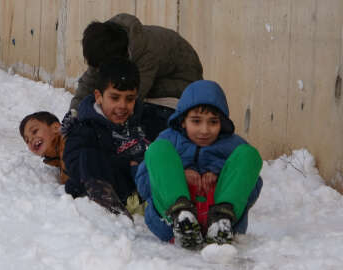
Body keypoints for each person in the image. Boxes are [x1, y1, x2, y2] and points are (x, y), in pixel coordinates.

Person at [135, 80, 264, 250]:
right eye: (196, 121)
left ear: (222, 122)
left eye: (213, 122)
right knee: (157, 149)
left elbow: (251, 188)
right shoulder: (169, 140)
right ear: (182, 121)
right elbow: (145, 183)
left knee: (249, 154)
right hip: (170, 220)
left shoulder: (233, 146)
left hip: (224, 216)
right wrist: (178, 175)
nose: (204, 130)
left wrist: (222, 178)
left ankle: (221, 222)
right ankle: (183, 219)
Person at [63, 57, 171, 219]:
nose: (122, 105)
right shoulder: (85, 126)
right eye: (115, 97)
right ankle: (108, 205)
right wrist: (126, 165)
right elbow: (73, 161)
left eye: (129, 99)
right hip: (116, 187)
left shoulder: (149, 118)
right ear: (99, 96)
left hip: (150, 188)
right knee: (87, 157)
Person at [68, 13, 203, 112]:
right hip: (156, 78)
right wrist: (73, 114)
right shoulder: (105, 45)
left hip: (184, 84)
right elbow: (88, 82)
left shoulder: (146, 54)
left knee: (124, 98)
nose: (96, 69)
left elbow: (134, 99)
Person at [19, 111, 69, 185]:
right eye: (27, 140)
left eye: (34, 131)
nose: (31, 140)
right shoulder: (55, 157)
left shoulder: (68, 141)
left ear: (55, 128)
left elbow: (71, 181)